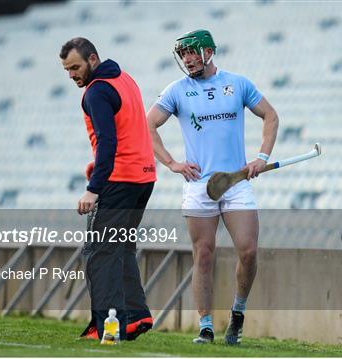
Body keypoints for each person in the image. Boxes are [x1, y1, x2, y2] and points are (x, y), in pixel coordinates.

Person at [146, 29, 279, 344]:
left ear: (208, 51)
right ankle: (205, 327)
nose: (187, 59)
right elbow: (148, 124)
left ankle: (237, 314)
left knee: (247, 251)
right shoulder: (177, 90)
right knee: (203, 254)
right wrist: (172, 163)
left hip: (235, 183)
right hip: (199, 186)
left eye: (192, 52)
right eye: (183, 55)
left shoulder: (238, 84)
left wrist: (261, 157)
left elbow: (271, 116)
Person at [59, 37, 156, 342]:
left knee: (99, 253)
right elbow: (127, 132)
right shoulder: (124, 78)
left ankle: (108, 327)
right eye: (67, 70)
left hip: (119, 180)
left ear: (92, 59)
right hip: (144, 177)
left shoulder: (97, 91)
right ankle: (135, 316)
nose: (72, 74)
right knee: (121, 247)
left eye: (75, 67)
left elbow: (108, 141)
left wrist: (93, 188)